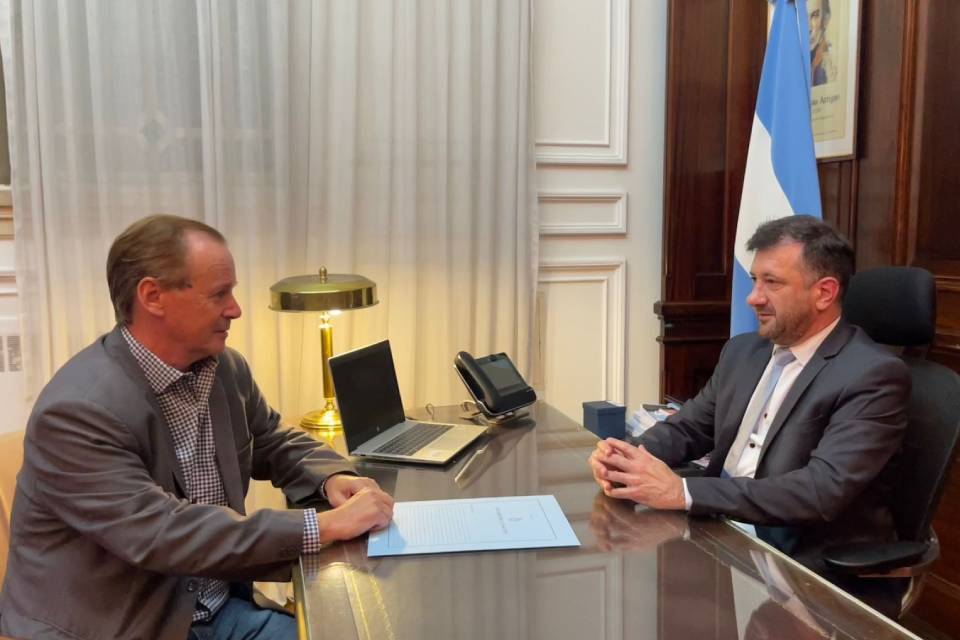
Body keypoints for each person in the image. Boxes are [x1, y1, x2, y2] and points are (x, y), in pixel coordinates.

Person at [0, 215, 395, 640]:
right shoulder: (77, 411)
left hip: (215, 610)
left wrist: (333, 476)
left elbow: (272, 439)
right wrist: (324, 526)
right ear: (153, 296)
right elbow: (163, 532)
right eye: (219, 293)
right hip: (121, 628)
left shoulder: (225, 369)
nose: (235, 309)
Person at [589, 215, 910, 613]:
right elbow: (690, 428)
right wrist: (626, 457)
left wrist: (683, 492)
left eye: (771, 283)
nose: (753, 298)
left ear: (824, 293)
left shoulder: (872, 375)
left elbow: (820, 490)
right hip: (719, 533)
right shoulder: (744, 351)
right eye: (755, 280)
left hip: (800, 570)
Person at [809, 0, 837, 86]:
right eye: (801, 15)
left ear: (825, 20)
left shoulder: (828, 63)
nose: (808, 27)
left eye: (815, 15)